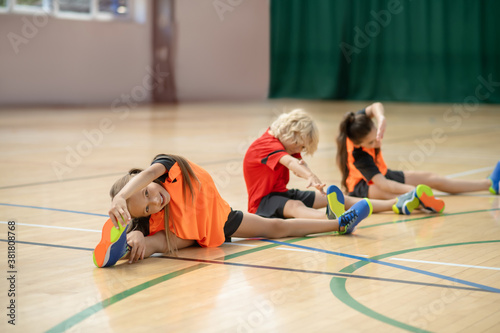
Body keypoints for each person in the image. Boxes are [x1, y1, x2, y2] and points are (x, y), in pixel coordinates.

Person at [92, 154, 372, 268]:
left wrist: (122, 196)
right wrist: (139, 236)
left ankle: (339, 224)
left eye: (147, 193)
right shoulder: (156, 215)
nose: (156, 201)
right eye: (148, 207)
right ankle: (125, 248)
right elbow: (157, 228)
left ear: (145, 179)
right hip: (189, 235)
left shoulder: (166, 167)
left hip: (220, 219)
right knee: (152, 241)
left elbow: (151, 172)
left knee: (277, 227)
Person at [243, 109, 435, 220]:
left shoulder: (285, 143)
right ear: (291, 133)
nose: (299, 149)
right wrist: (311, 177)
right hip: (262, 203)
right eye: (300, 145)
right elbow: (291, 163)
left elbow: (300, 161)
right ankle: (332, 219)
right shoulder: (266, 144)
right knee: (295, 206)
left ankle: (397, 204)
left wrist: (316, 182)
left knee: (342, 198)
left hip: (280, 194)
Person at [336, 102, 500, 209]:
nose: (377, 143)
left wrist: (381, 118)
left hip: (382, 173)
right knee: (394, 195)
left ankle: (488, 184)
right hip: (363, 187)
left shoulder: (356, 122)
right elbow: (385, 184)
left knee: (431, 178)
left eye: (376, 135)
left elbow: (376, 106)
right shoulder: (359, 156)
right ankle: (418, 202)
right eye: (371, 142)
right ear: (358, 144)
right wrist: (413, 191)